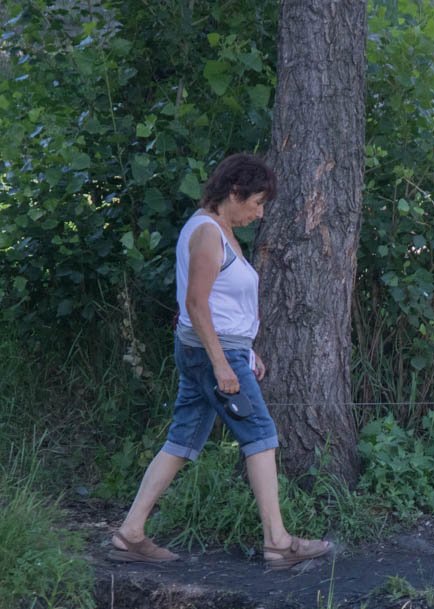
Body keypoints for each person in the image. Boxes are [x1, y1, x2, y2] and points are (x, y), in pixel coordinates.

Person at [110, 153, 332, 570]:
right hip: (212, 353)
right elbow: (195, 303)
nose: (259, 213)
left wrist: (246, 351)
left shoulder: (221, 231)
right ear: (234, 193)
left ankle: (131, 532)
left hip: (217, 350)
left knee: (183, 439)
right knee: (261, 434)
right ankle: (278, 541)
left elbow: (223, 305)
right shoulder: (208, 233)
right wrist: (224, 364)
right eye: (256, 202)